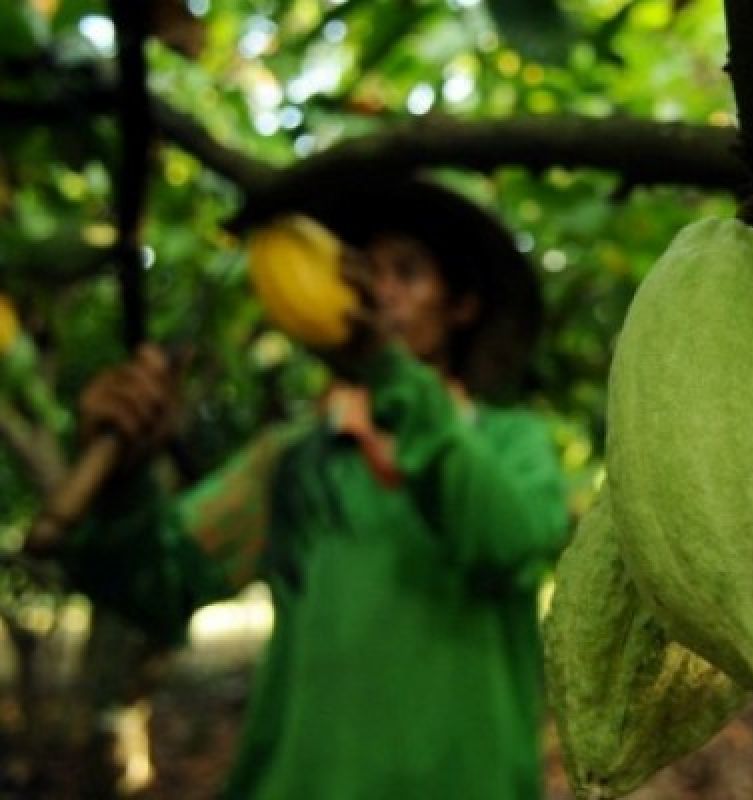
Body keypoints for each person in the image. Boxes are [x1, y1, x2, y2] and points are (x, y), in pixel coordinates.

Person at [61, 178, 571, 799]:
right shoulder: (297, 458)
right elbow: (158, 587)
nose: (378, 293)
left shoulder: (509, 440)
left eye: (405, 274)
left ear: (462, 306)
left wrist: (391, 373)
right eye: (365, 272)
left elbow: (507, 540)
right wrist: (124, 485)